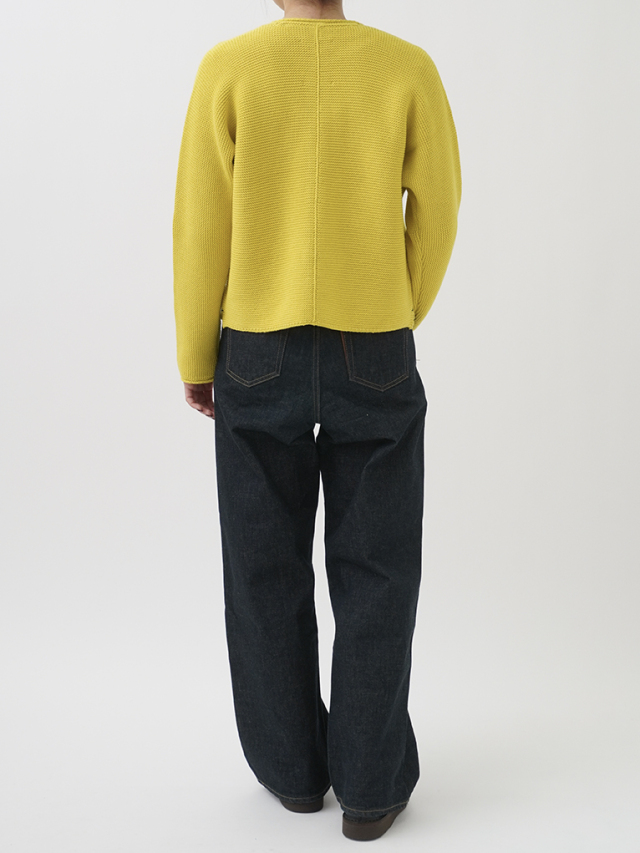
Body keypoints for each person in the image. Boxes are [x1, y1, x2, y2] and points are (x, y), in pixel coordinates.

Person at [173, 0, 461, 840]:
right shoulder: (407, 68)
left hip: (255, 346)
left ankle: (294, 772)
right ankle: (369, 784)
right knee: (379, 567)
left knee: (262, 566)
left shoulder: (229, 68)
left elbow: (201, 224)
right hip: (374, 343)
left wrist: (196, 351)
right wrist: (398, 304)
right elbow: (439, 211)